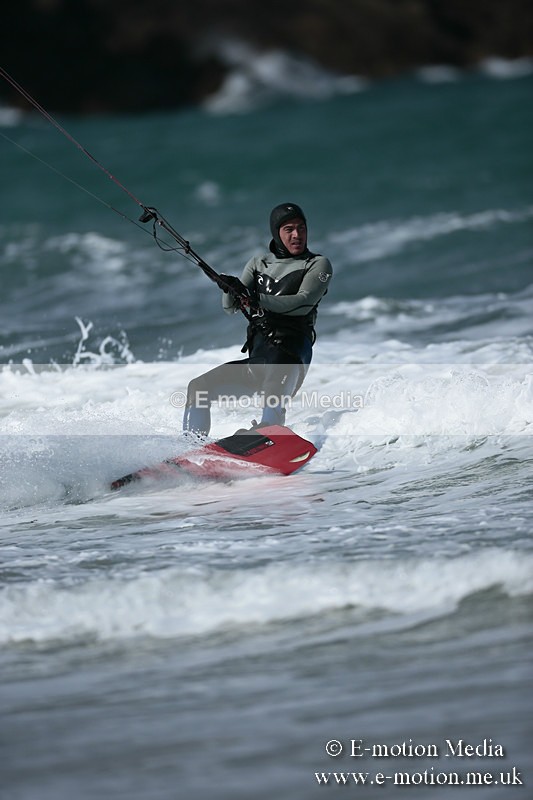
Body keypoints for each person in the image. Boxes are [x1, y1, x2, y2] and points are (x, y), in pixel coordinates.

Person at [182, 202, 332, 436]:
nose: (296, 235)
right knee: (198, 388)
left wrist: (255, 297)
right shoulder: (258, 264)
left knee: (274, 390)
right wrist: (230, 288)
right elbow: (229, 307)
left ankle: (270, 432)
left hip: (290, 354)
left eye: (301, 228)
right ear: (276, 233)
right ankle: (190, 448)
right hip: (259, 359)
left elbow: (302, 303)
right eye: (289, 229)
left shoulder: (317, 264)